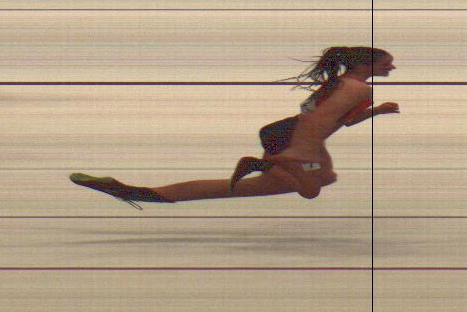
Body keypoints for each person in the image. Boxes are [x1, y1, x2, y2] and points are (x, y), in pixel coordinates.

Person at [70, 47, 398, 208]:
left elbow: (338, 119)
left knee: (316, 179)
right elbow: (317, 122)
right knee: (312, 188)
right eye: (386, 64)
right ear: (364, 65)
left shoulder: (341, 83)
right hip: (297, 142)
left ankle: (131, 191)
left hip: (285, 133)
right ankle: (267, 163)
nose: (392, 68)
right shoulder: (359, 89)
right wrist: (298, 154)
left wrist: (377, 113)